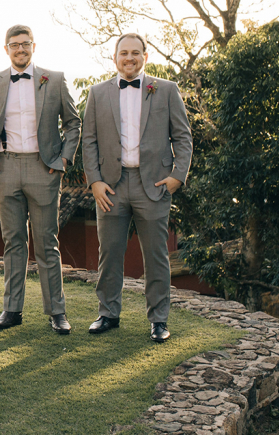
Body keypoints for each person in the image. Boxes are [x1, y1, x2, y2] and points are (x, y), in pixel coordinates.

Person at [81, 33, 193, 343]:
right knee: (110, 253)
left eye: (135, 53)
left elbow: (183, 137)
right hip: (112, 187)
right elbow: (88, 139)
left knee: (156, 256)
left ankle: (158, 320)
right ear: (114, 58)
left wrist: (177, 176)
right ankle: (108, 314)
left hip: (154, 185)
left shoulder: (166, 90)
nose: (129, 59)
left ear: (145, 56)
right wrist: (95, 181)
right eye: (123, 54)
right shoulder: (97, 93)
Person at [0, 25, 80, 334]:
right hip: (5, 168)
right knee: (13, 241)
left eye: (25, 44)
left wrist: (63, 159)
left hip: (43, 167)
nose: (20, 49)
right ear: (5, 48)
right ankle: (11, 310)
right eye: (14, 45)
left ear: (34, 46)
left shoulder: (55, 79)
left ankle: (56, 312)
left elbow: (73, 123)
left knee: (47, 243)